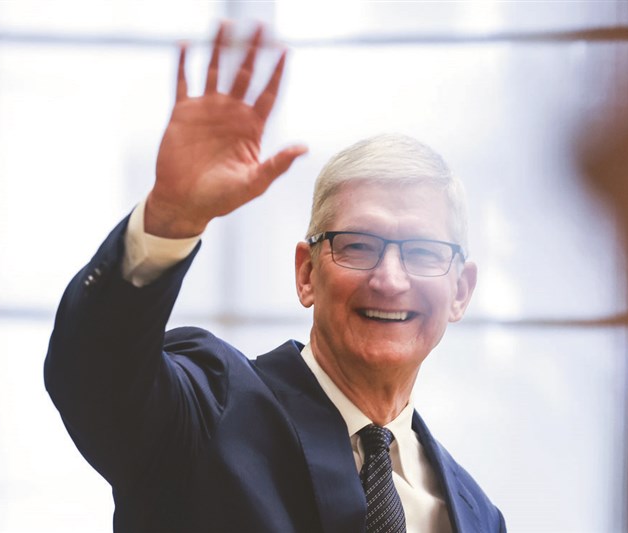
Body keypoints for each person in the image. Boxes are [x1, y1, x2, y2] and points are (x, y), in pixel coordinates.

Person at [45, 22, 505, 533]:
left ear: (461, 290)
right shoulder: (208, 407)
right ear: (306, 273)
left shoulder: (476, 514)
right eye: (357, 246)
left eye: (421, 252)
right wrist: (169, 218)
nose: (390, 279)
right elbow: (96, 377)